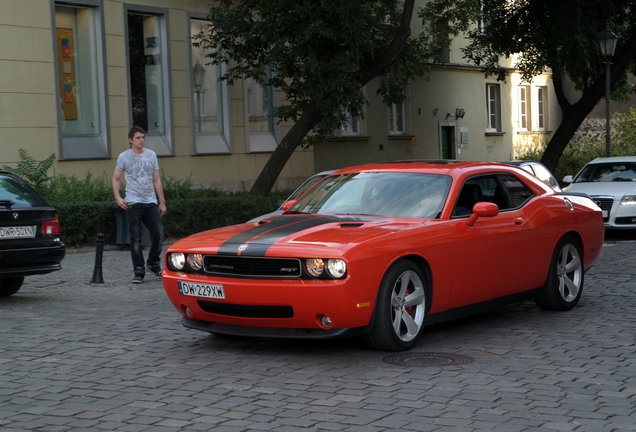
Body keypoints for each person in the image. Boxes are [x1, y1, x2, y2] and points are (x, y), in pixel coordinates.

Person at [112, 126, 167, 284]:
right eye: (138, 137)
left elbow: (156, 179)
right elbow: (115, 179)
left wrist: (161, 202)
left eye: (143, 137)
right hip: (133, 201)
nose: (141, 140)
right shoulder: (124, 157)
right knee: (135, 239)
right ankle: (138, 271)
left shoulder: (151, 155)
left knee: (158, 234)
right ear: (131, 140)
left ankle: (153, 263)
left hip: (150, 201)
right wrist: (118, 197)